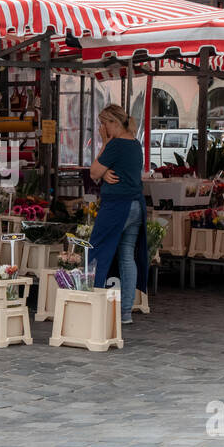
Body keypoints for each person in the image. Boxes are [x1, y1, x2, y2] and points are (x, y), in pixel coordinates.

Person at [89, 104, 148, 326]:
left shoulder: (115, 145)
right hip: (136, 205)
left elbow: (93, 171)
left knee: (97, 252)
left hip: (116, 206)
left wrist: (104, 144)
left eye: (103, 124)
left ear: (113, 122)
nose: (102, 128)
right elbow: (106, 173)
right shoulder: (135, 143)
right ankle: (125, 312)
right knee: (126, 256)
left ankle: (93, 306)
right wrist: (105, 174)